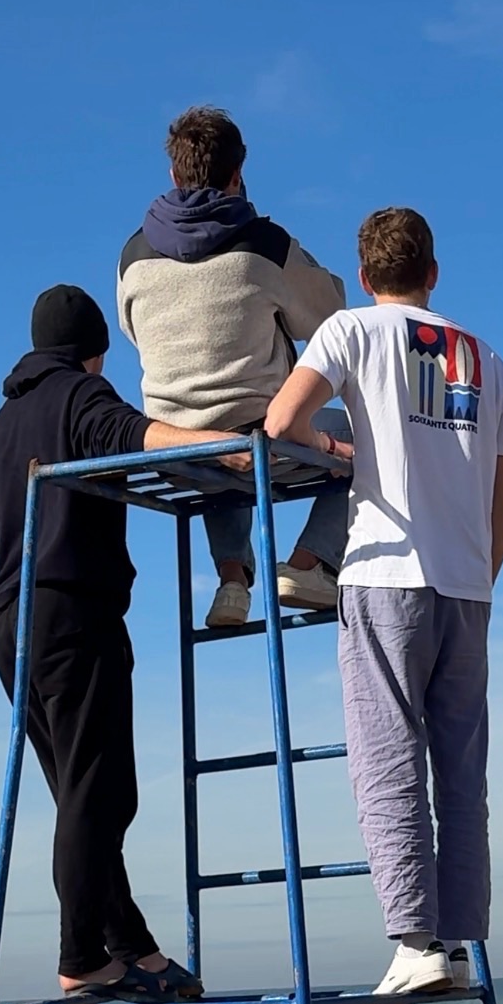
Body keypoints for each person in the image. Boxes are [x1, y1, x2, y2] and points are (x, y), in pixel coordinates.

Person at [264, 208, 503, 1004]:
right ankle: (452, 940)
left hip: (384, 569)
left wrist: (344, 453)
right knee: (459, 772)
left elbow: (281, 421)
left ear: (366, 275)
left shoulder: (350, 330)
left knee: (385, 761)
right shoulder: (485, 357)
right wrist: (483, 571)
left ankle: (412, 946)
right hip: (466, 586)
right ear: (432, 273)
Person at [0, 286, 243, 997]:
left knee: (81, 794)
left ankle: (131, 945)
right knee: (104, 793)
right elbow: (136, 436)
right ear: (92, 350)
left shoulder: (2, 422)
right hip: (73, 615)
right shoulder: (78, 395)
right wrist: (226, 452)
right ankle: (80, 956)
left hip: (11, 619)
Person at [118, 106, 350, 630]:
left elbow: (131, 330)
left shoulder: (132, 253)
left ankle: (231, 583)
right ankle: (312, 564)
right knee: (372, 433)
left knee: (214, 425)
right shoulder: (263, 243)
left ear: (174, 175)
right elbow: (332, 312)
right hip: (259, 439)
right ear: (238, 173)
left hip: (173, 442)